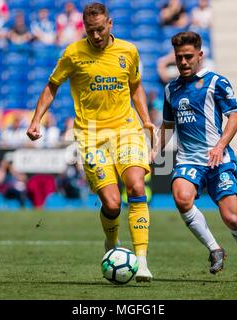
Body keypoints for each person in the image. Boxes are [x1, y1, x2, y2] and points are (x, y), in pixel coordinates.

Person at [27, 3, 155, 282]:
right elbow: (52, 86)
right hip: (91, 136)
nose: (95, 36)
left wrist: (145, 119)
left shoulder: (128, 51)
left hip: (126, 130)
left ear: (110, 24)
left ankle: (142, 261)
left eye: (100, 29)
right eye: (90, 30)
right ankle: (112, 243)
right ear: (83, 27)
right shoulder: (73, 53)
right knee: (111, 204)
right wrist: (36, 119)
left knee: (135, 186)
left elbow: (135, 86)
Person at [153, 31, 237, 282]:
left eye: (189, 56)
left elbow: (236, 116)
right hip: (189, 159)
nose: (184, 62)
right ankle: (215, 249)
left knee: (232, 219)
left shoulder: (216, 82)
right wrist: (154, 150)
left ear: (200, 55)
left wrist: (220, 145)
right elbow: (167, 125)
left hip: (218, 159)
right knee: (181, 196)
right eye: (179, 58)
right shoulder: (171, 89)